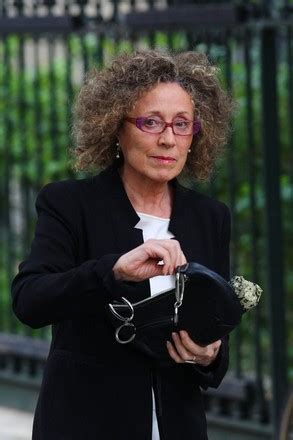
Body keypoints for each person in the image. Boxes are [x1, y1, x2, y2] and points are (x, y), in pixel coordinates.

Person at [11, 50, 233, 440]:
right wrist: (111, 271)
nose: (168, 139)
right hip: (85, 424)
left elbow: (214, 327)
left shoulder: (210, 217)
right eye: (151, 122)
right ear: (116, 126)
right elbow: (30, 300)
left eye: (182, 124)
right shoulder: (69, 204)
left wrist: (210, 355)